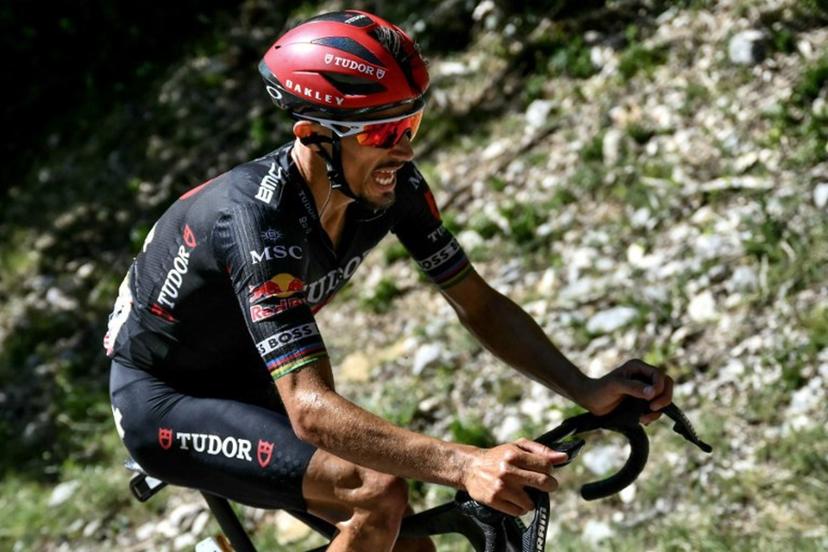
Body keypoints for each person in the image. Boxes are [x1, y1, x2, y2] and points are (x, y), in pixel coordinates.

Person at [104, 10, 673, 552]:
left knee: (407, 545)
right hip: (165, 398)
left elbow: (478, 304)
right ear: (314, 135)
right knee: (377, 494)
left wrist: (585, 388)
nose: (404, 149)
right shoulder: (256, 220)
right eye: (382, 133)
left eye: (409, 124)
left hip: (252, 376)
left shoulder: (392, 188)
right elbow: (310, 408)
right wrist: (465, 464)